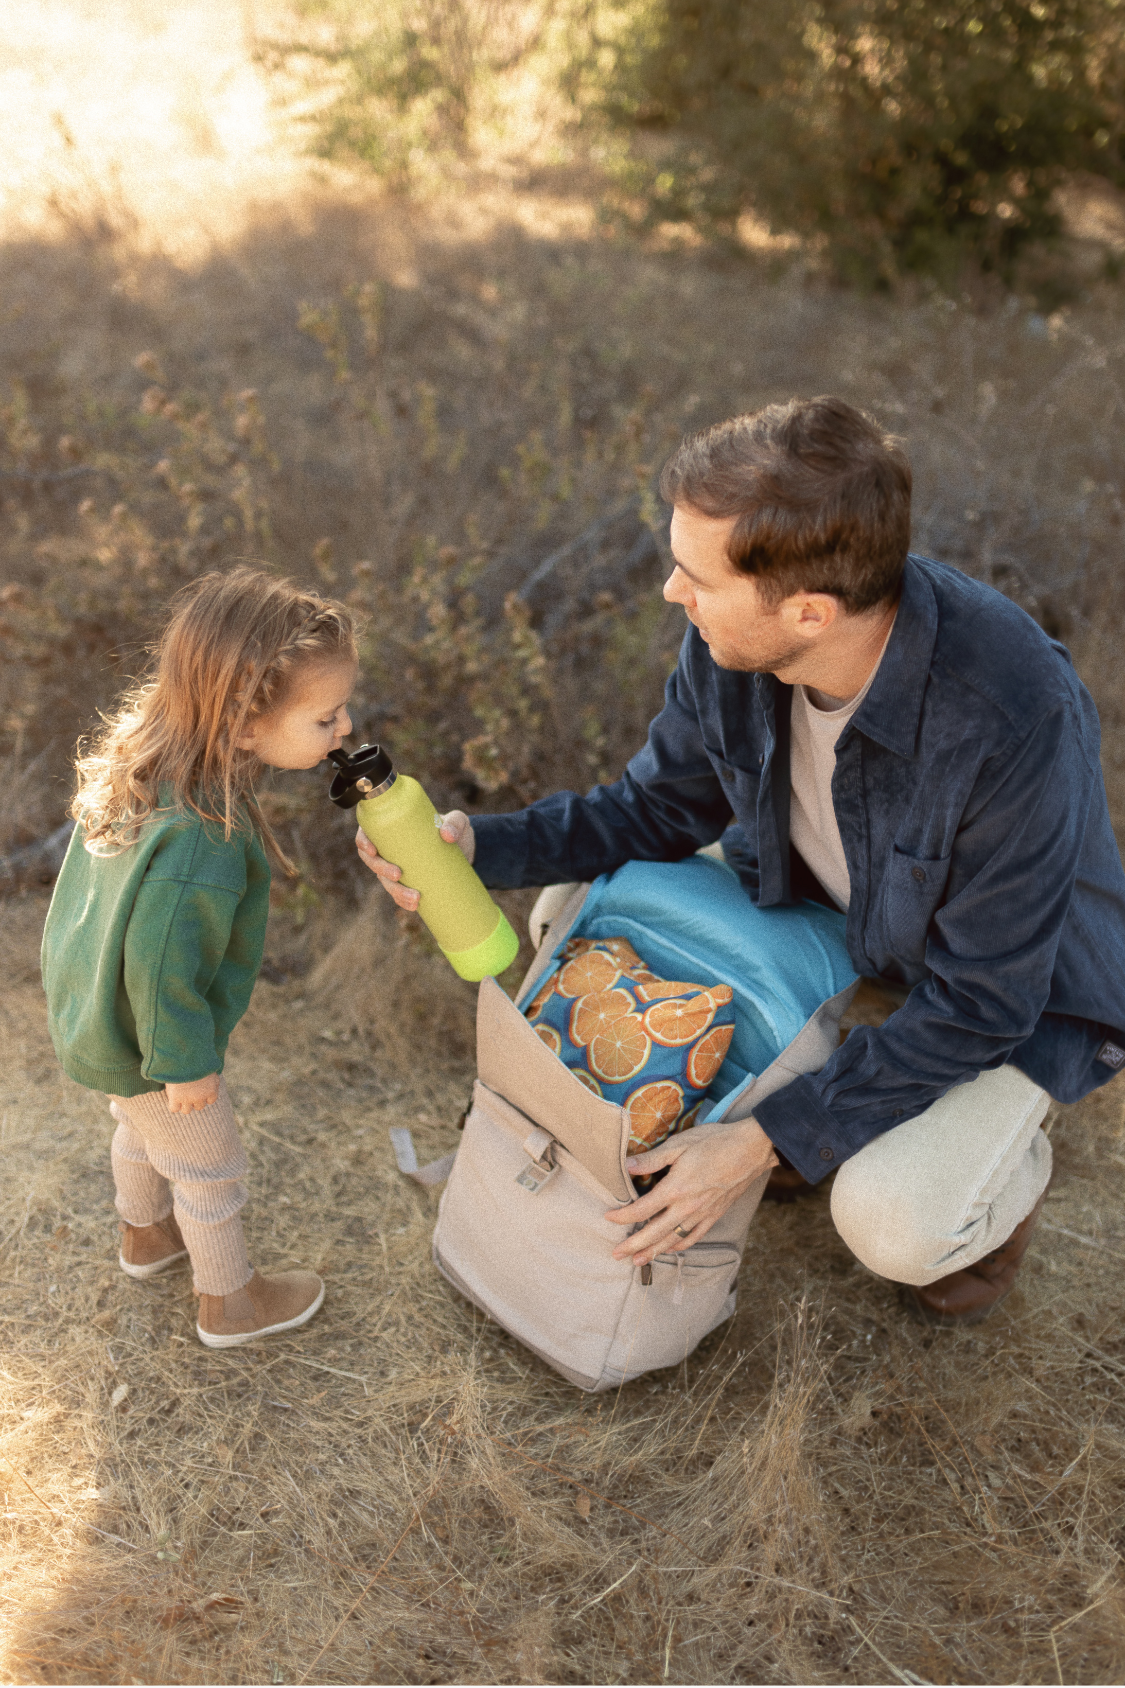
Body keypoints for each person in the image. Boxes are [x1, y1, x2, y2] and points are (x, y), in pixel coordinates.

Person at [357, 396, 1125, 1328]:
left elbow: (982, 1003)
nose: (672, 594)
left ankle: (995, 1176)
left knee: (894, 1226)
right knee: (567, 905)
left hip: (1002, 995)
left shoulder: (1009, 711)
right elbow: (654, 809)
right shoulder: (731, 638)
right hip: (824, 914)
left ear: (808, 610)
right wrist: (477, 846)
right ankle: (817, 1079)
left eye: (695, 577)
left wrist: (766, 1139)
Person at [42, 568, 358, 1347]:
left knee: (139, 1128)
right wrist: (183, 1061)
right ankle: (231, 1302)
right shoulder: (202, 839)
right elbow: (159, 964)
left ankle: (145, 1238)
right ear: (245, 723)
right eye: (325, 718)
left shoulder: (149, 772)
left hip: (101, 1023)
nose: (345, 729)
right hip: (154, 1040)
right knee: (210, 1167)